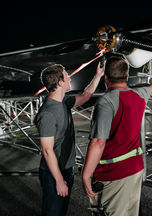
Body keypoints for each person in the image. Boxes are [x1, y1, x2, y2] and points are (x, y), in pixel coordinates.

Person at [82, 56, 152, 216]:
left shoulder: (106, 102)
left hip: (114, 173)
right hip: (135, 169)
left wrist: (86, 176)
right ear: (127, 76)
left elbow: (99, 142)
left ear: (106, 77)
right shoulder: (140, 94)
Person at [35, 62, 104, 215]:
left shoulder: (64, 102)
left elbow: (86, 96)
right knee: (52, 212)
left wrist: (98, 75)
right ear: (60, 83)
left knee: (62, 210)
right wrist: (59, 181)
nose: (70, 79)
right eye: (67, 76)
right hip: (53, 173)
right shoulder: (47, 113)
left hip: (66, 168)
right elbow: (47, 151)